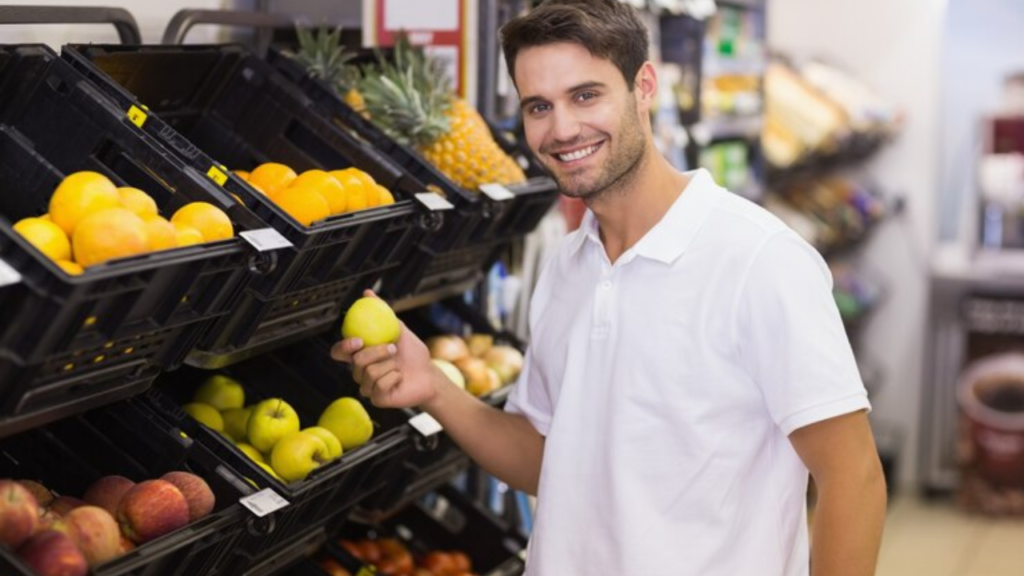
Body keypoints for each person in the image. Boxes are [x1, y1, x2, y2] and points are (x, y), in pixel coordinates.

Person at [332, 1, 887, 574]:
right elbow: (551, 460)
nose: (563, 129)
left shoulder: (759, 261)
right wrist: (433, 388)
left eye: (586, 95)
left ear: (643, 86)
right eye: (539, 107)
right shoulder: (570, 265)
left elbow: (854, 479)